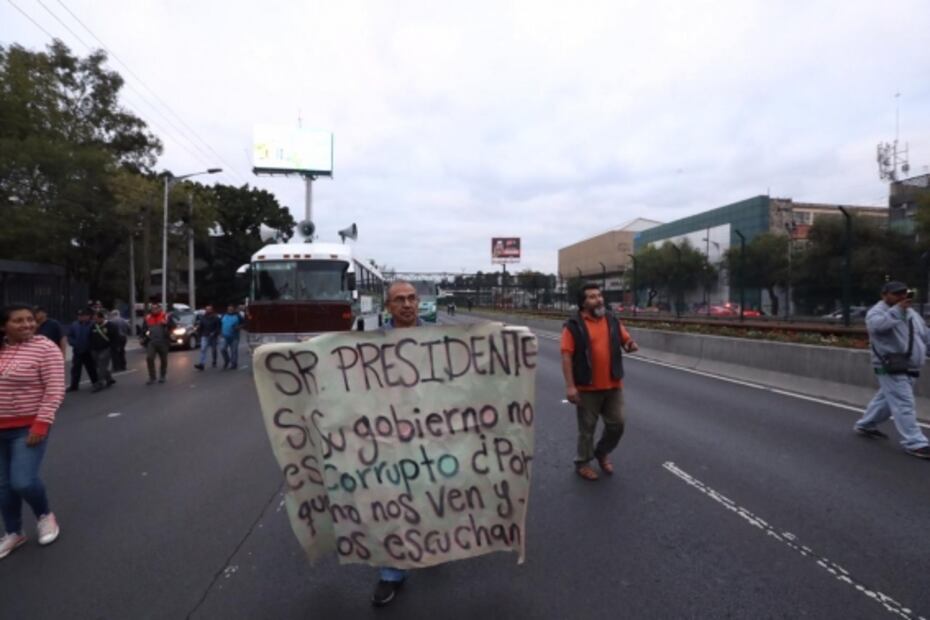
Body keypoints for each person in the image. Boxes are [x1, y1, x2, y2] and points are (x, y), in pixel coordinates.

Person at [372, 280, 423, 607]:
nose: (407, 304)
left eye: (412, 298)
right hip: (388, 438)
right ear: (388, 307)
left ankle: (438, 544)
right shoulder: (371, 344)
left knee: (434, 497)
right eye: (399, 300)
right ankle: (391, 573)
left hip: (434, 436)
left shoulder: (441, 341)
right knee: (394, 502)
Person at [0, 304, 65, 559]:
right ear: (4, 325)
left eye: (29, 320)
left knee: (23, 481)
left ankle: (45, 515)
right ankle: (13, 532)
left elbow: (55, 389)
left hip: (28, 427)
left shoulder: (45, 348)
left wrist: (42, 423)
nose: (27, 324)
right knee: (3, 487)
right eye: (18, 321)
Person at [560, 283, 638, 481]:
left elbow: (625, 339)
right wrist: (570, 386)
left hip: (613, 385)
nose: (599, 299)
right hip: (587, 387)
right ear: (583, 303)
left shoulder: (611, 320)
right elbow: (566, 356)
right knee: (587, 429)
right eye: (593, 297)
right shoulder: (573, 325)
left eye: (600, 295)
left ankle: (602, 451)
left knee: (617, 424)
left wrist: (630, 344)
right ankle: (583, 462)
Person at [854, 281, 930, 458]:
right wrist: (897, 311)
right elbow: (877, 327)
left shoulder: (911, 313)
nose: (902, 297)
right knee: (904, 403)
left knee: (886, 400)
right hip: (890, 366)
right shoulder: (876, 312)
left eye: (904, 293)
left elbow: (924, 334)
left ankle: (866, 424)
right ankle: (915, 442)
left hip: (909, 366)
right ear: (884, 295)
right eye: (896, 294)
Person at [66, 308, 100, 393]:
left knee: (91, 368)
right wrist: (73, 343)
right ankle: (74, 385)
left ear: (88, 316)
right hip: (77, 350)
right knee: (75, 369)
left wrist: (92, 346)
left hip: (88, 351)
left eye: (83, 316)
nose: (80, 317)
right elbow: (70, 336)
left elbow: (96, 337)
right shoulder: (74, 324)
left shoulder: (93, 325)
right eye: (79, 316)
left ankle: (96, 383)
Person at [142, 303, 176, 385]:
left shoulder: (166, 316)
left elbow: (174, 326)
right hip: (152, 342)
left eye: (156, 308)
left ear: (160, 309)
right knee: (149, 358)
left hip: (163, 341)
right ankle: (152, 377)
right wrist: (143, 337)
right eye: (153, 308)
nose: (154, 310)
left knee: (163, 360)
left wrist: (166, 324)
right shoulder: (147, 318)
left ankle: (162, 376)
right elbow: (143, 330)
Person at [89, 311, 118, 389]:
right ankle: (109, 379)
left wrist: (113, 348)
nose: (95, 320)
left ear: (101, 318)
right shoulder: (93, 326)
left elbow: (115, 338)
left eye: (96, 319)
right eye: (94, 319)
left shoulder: (111, 326)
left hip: (106, 348)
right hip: (95, 349)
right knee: (99, 365)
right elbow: (90, 337)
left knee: (102, 364)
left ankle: (100, 383)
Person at [194, 305, 222, 371]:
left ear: (212, 310)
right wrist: (199, 335)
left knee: (214, 350)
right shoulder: (203, 318)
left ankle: (214, 361)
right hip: (205, 336)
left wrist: (215, 332)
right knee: (203, 349)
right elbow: (201, 327)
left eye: (209, 309)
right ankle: (201, 364)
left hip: (213, 337)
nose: (208, 310)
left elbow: (218, 327)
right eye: (207, 309)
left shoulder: (216, 318)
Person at [220, 304, 243, 370]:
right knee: (222, 349)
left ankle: (234, 364)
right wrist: (220, 331)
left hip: (234, 337)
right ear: (227, 309)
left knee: (234, 351)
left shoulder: (238, 316)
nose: (230, 310)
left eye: (231, 309)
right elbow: (220, 324)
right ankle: (227, 360)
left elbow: (244, 323)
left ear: (234, 309)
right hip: (224, 336)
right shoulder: (223, 315)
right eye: (229, 309)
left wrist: (238, 327)